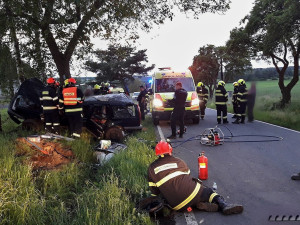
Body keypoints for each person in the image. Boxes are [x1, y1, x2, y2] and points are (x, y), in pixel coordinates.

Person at [148, 140, 244, 214]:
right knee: (209, 192)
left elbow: (155, 192)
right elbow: (188, 176)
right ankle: (223, 205)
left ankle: (195, 205)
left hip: (176, 205)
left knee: (167, 197)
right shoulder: (179, 161)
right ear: (170, 151)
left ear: (158, 154)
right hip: (192, 193)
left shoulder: (151, 168)